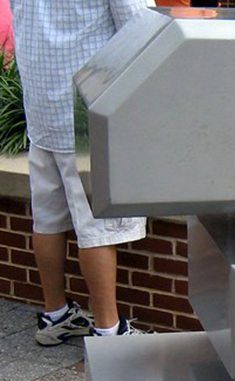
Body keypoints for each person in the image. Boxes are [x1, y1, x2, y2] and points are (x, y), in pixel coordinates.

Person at [10, 0, 149, 344]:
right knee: (97, 228)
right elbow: (141, 31)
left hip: (42, 109)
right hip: (89, 110)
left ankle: (54, 315)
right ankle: (108, 331)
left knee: (48, 218)